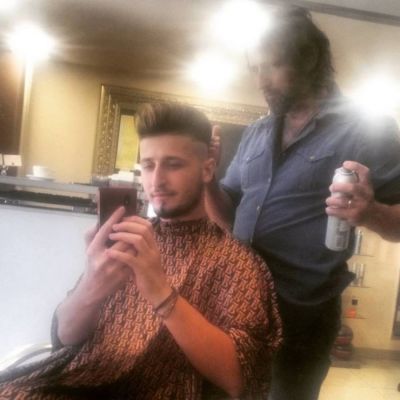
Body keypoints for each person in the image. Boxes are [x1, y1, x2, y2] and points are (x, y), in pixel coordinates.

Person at [0, 102, 282, 399]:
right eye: (148, 165)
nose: (156, 181)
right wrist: (91, 287)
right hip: (77, 381)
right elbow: (64, 339)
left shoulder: (236, 261)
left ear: (207, 169)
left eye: (173, 164)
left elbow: (241, 378)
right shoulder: (124, 239)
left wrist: (160, 292)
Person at [206, 5, 400, 400]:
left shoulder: (368, 129)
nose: (260, 81)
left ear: (309, 59)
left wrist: (372, 212)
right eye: (255, 69)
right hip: (237, 303)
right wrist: (205, 183)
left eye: (271, 66)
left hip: (302, 317)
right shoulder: (256, 133)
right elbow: (227, 216)